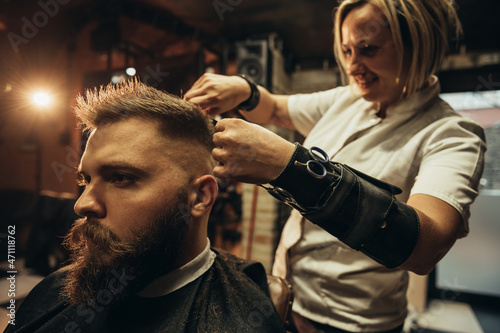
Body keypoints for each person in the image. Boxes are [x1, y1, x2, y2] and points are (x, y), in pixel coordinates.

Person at [184, 0, 486, 332]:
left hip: (353, 323)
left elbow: (425, 247)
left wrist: (291, 167)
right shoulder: (348, 99)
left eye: (368, 49)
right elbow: (275, 108)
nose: (353, 65)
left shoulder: (452, 135)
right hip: (286, 298)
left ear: (417, 45)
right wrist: (245, 89)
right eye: (346, 51)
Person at [6, 80, 285, 333]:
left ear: (200, 197)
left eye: (121, 178)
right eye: (86, 179)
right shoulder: (57, 288)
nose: (82, 204)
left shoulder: (241, 321)